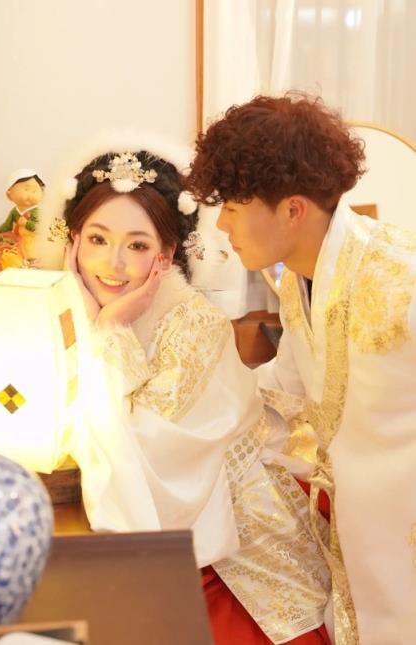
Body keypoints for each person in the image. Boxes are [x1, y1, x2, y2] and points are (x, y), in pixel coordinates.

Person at [42, 131, 331, 645]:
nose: (113, 263)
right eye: (98, 239)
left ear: (167, 253)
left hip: (229, 547)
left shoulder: (196, 323)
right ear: (74, 239)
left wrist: (109, 332)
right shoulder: (56, 308)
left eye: (138, 245)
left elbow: (141, 456)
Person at [185, 93, 416, 644]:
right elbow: (283, 386)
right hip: (362, 532)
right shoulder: (298, 276)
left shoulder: (398, 280)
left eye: (234, 207)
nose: (222, 224)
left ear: (293, 210)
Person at [0, 169, 45, 263]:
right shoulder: (14, 211)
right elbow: (7, 225)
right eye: (26, 189)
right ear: (10, 193)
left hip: (33, 242)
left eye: (34, 191)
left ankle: (33, 261)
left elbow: (40, 228)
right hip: (18, 241)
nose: (30, 194)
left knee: (31, 253)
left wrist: (26, 223)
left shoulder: (37, 212)